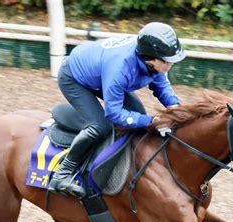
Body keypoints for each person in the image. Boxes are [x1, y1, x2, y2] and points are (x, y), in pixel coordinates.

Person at [48, 22, 185, 197]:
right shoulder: (120, 68)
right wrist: (152, 121)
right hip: (74, 78)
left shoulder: (151, 60)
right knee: (101, 125)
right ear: (151, 58)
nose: (171, 64)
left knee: (138, 116)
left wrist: (176, 109)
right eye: (167, 61)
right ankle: (62, 174)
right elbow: (114, 113)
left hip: (99, 72)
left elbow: (162, 86)